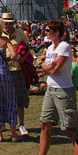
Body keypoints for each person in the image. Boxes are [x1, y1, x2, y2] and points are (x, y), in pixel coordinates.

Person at [39, 19, 78, 155]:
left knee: (70, 128)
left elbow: (54, 70)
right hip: (50, 89)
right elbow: (46, 69)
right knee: (45, 123)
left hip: (64, 90)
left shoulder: (64, 47)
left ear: (57, 33)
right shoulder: (50, 48)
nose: (46, 32)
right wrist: (45, 67)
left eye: (49, 30)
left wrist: (45, 66)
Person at [1, 12, 30, 136]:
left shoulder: (19, 33)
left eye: (10, 23)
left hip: (17, 69)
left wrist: (23, 57)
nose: (8, 25)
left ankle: (21, 124)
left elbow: (27, 47)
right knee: (3, 98)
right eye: (5, 23)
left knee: (19, 98)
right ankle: (1, 124)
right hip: (4, 69)